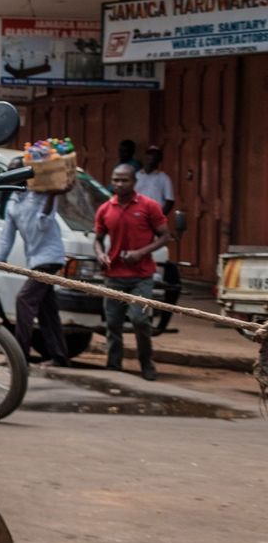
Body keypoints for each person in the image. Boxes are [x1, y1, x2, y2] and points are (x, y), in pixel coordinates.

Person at [94, 163, 167, 381]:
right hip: (114, 276)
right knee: (113, 323)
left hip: (141, 275)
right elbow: (97, 240)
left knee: (140, 320)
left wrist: (141, 252)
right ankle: (113, 364)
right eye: (115, 179)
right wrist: (100, 255)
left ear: (134, 183)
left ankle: (146, 362)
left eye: (124, 180)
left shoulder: (149, 206)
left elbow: (165, 236)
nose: (119, 184)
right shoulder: (105, 209)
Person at [0, 159, 70, 367]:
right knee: (47, 309)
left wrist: (51, 197)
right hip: (35, 258)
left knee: (24, 300)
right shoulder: (12, 202)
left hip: (49, 258)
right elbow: (6, 237)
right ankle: (60, 357)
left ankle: (19, 356)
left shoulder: (42, 193)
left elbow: (44, 223)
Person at [135, 144, 181, 331]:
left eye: (156, 156)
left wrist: (157, 218)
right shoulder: (136, 176)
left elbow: (169, 201)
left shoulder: (163, 179)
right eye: (149, 155)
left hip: (154, 224)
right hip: (135, 222)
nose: (151, 159)